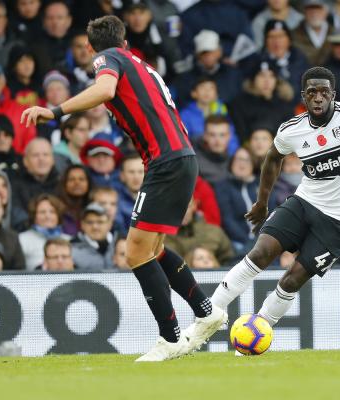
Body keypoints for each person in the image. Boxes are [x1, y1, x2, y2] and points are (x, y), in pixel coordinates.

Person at [21, 15, 224, 362]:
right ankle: (206, 311)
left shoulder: (107, 58)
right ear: (126, 41)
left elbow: (104, 90)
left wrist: (55, 111)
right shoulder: (139, 63)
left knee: (135, 252)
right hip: (181, 158)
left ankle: (170, 337)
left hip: (167, 161)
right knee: (153, 247)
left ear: (89, 47)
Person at [194, 60, 340, 347]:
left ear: (333, 94)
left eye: (323, 92)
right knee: (260, 253)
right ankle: (204, 321)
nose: (318, 97)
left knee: (292, 280)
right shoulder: (292, 130)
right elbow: (272, 158)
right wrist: (261, 202)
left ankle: (256, 335)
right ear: (303, 96)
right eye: (311, 93)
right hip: (305, 202)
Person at [164, 198, 234, 265]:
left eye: (187, 207)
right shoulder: (162, 237)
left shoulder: (214, 231)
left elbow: (230, 261)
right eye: (176, 208)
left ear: (194, 206)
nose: (182, 212)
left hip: (214, 276)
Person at [18, 194, 70, 270]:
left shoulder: (70, 240)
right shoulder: (21, 239)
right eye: (42, 212)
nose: (47, 216)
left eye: (52, 212)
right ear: (34, 216)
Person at [71, 202, 116, 271]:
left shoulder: (122, 245)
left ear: (110, 224)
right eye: (90, 222)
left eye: (100, 222)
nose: (95, 227)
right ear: (82, 225)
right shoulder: (70, 249)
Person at [56, 164, 92, 236]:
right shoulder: (56, 208)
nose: (77, 183)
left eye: (81, 179)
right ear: (64, 183)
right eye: (71, 179)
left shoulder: (95, 206)